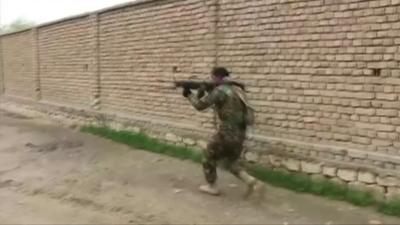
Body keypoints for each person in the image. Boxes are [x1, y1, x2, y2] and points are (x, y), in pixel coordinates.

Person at [182, 67, 262, 196]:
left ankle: (211, 186)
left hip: (227, 132)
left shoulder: (220, 91)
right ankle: (253, 182)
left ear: (216, 77)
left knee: (208, 157)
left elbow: (200, 105)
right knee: (231, 162)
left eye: (212, 77)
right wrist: (207, 90)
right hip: (240, 132)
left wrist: (189, 94)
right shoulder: (237, 90)